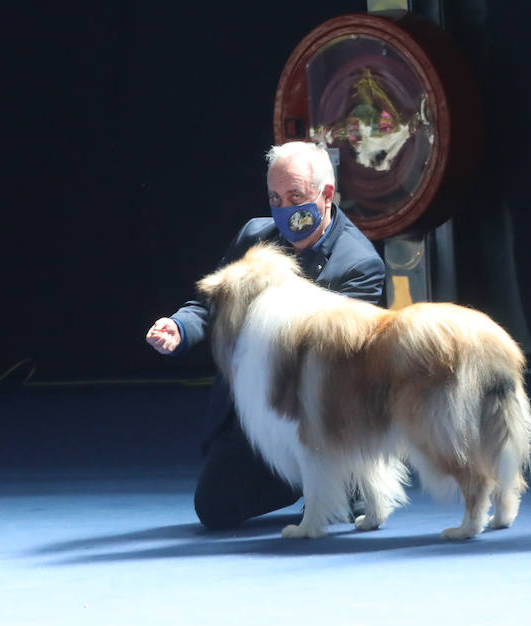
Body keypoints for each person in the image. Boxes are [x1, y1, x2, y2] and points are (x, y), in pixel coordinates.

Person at [146, 141, 386, 530]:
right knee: (215, 508)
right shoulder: (254, 238)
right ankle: (300, 481)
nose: (285, 209)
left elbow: (338, 357)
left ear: (326, 195)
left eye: (295, 196)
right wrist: (179, 326)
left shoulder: (359, 264)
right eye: (275, 197)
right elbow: (212, 305)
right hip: (263, 404)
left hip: (322, 408)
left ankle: (339, 477)